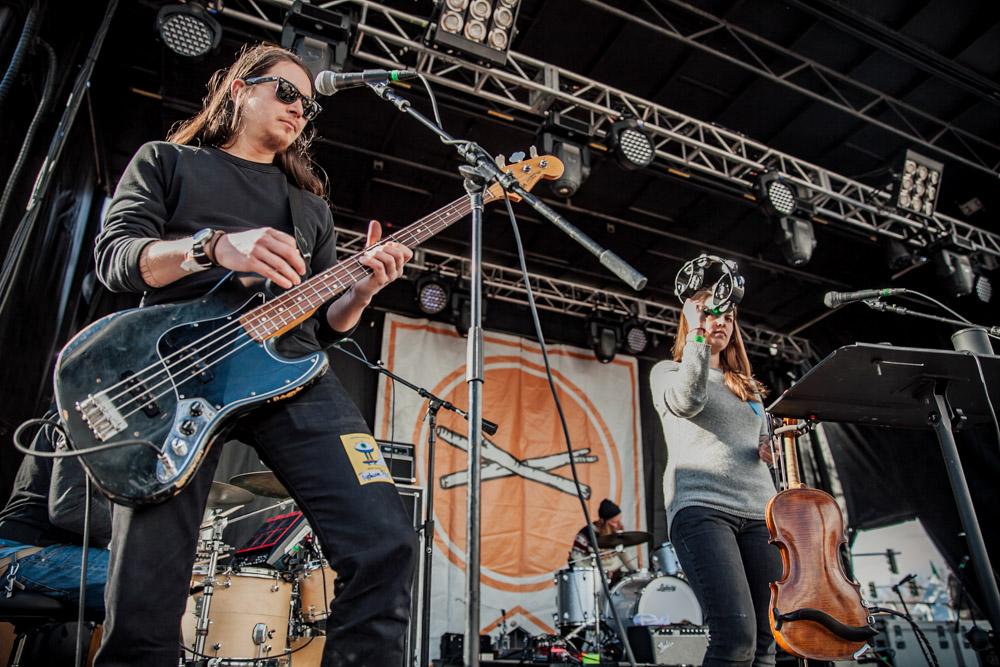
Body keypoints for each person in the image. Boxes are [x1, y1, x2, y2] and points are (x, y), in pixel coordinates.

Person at [90, 44, 417, 666]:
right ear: (240, 89)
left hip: (292, 378)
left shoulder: (310, 209)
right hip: (176, 375)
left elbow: (323, 326)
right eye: (287, 92)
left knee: (386, 543)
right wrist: (213, 247)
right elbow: (117, 261)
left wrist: (362, 290)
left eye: (309, 105)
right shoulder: (168, 162)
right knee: (147, 591)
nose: (300, 109)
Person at [650, 292, 781, 667]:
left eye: (728, 316)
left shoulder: (748, 386)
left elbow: (759, 443)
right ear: (692, 319)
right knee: (736, 638)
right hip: (702, 507)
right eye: (710, 314)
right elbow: (687, 402)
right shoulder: (667, 372)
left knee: (767, 639)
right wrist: (696, 335)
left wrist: (769, 448)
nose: (720, 321)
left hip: (760, 513)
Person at [0, 413, 111, 611]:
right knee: (151, 578)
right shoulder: (88, 417)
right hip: (24, 552)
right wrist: (139, 532)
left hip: (52, 551)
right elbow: (67, 508)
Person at [569, 498, 636, 581]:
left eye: (619, 520)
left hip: (615, 575)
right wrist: (599, 574)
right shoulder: (585, 535)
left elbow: (624, 554)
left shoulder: (616, 533)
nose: (619, 524)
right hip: (593, 579)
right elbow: (577, 562)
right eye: (614, 522)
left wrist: (636, 572)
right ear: (602, 521)